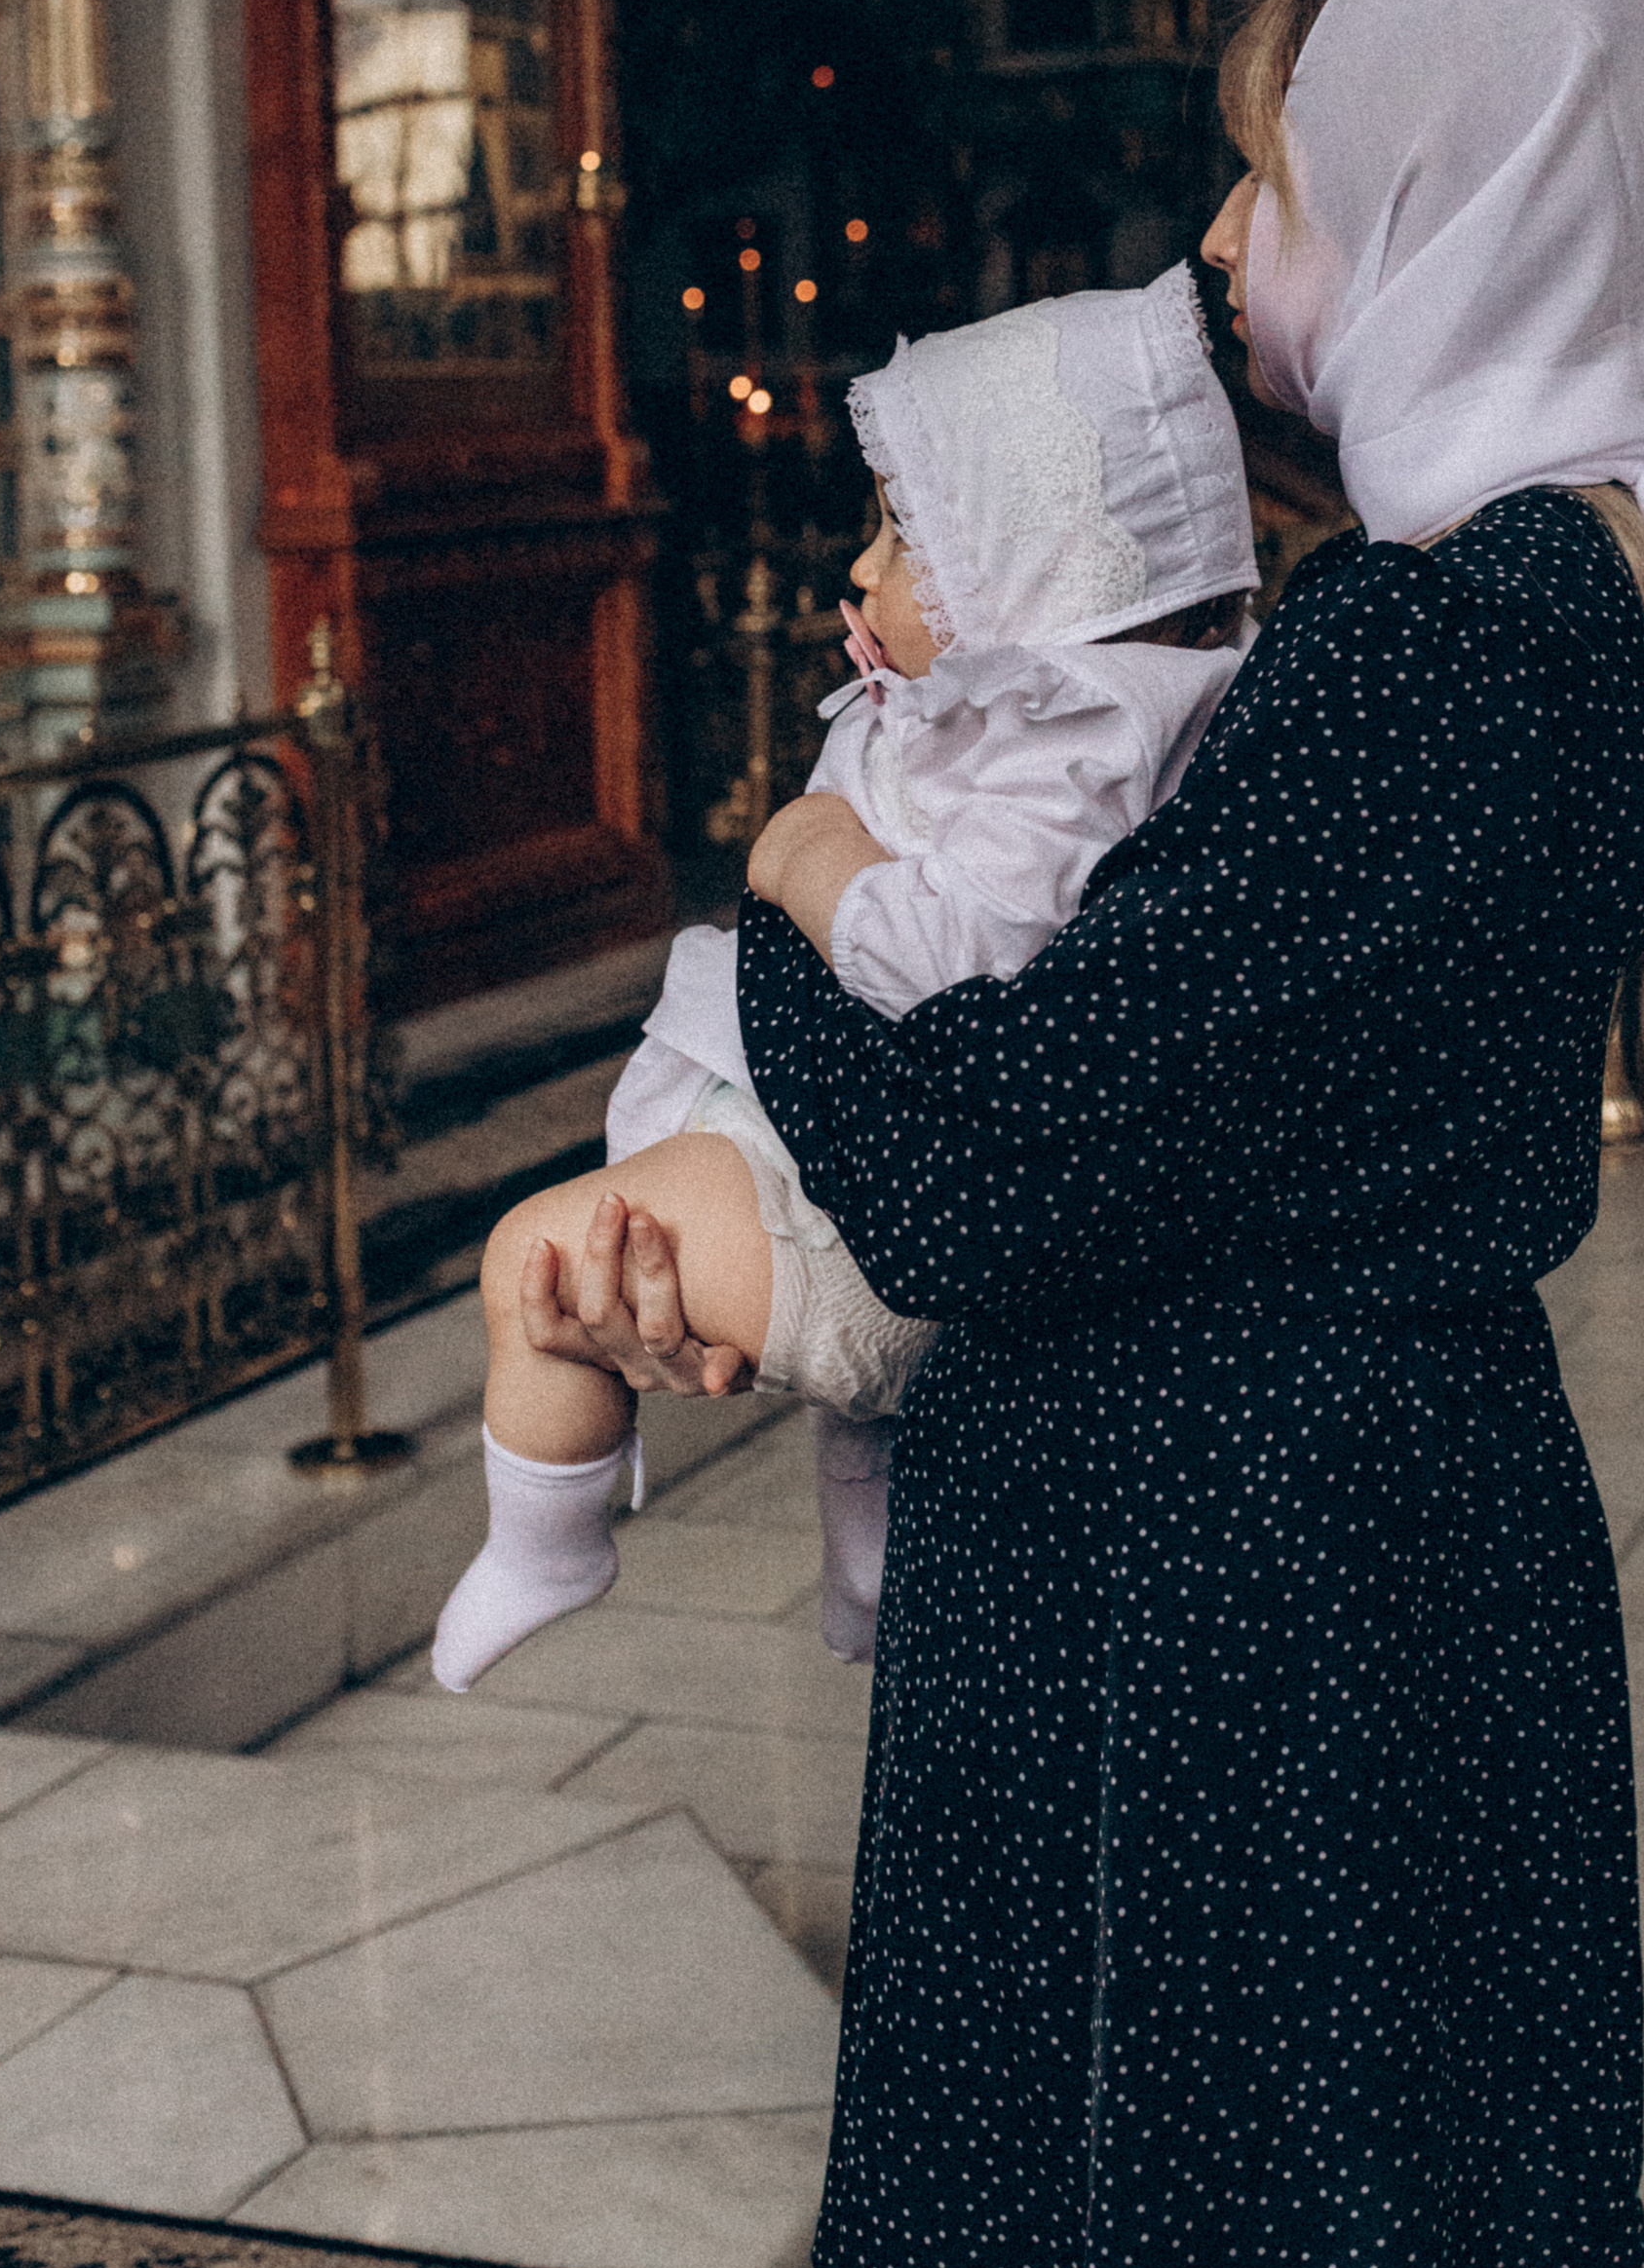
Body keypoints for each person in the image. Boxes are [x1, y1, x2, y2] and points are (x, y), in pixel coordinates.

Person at [539, 0, 1644, 2268]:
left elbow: (985, 1181)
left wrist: (794, 883)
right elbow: (1137, 1096)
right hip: (1326, 1549)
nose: (1222, 244)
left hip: (1226, 1612)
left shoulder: (1440, 635)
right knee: (1344, 2256)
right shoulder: (1556, 582)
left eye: (1271, 178)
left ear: (1437, 211)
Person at [430, 261, 1259, 1695]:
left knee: (535, 1259)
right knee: (861, 1432)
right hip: (848, 1177)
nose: (860, 572)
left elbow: (957, 964)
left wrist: (807, 857)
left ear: (1034, 557)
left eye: (905, 533)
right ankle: (870, 1587)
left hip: (850, 1207)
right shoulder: (1029, 714)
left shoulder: (1077, 748)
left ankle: (547, 1539)